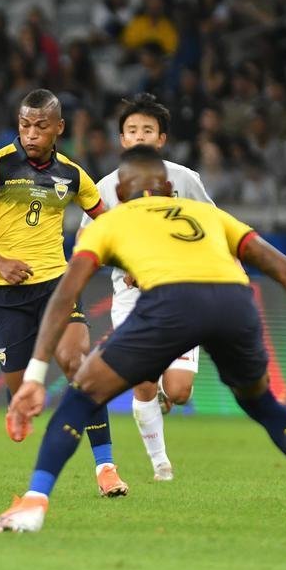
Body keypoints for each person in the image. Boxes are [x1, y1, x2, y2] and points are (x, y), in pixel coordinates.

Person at [0, 145, 286, 538]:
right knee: (264, 405)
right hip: (235, 303)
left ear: (123, 191)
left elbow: (66, 294)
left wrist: (36, 372)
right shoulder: (210, 215)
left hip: (170, 303)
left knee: (82, 397)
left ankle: (33, 505)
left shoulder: (111, 221)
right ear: (167, 186)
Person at [0, 89, 130, 498]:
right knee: (21, 387)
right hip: (3, 294)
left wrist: (130, 263)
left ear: (58, 128)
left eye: (41, 127)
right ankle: (21, 402)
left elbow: (107, 224)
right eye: (25, 126)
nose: (31, 134)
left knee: (80, 366)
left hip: (56, 287)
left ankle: (106, 468)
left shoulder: (73, 175)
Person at [82, 94, 213, 482]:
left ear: (161, 139)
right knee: (141, 380)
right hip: (132, 297)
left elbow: (211, 225)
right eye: (132, 130)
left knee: (180, 391)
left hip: (182, 294)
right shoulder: (106, 188)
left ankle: (161, 396)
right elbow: (91, 245)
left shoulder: (185, 180)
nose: (140, 136)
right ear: (122, 139)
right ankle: (161, 464)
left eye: (148, 130)